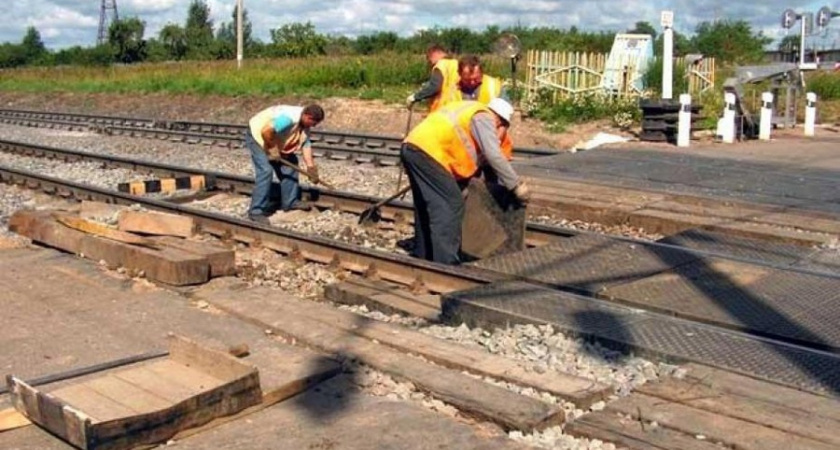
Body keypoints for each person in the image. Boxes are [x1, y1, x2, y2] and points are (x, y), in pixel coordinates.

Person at [399, 98, 530, 265]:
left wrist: (497, 192)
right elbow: (493, 155)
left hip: (412, 147)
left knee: (426, 204)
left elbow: (488, 166)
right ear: (500, 121)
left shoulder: (469, 112)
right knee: (451, 204)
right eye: (503, 127)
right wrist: (516, 186)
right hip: (429, 153)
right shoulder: (484, 117)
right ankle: (445, 263)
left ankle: (423, 255)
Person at [244, 103, 325, 224]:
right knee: (266, 171)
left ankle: (290, 202)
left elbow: (305, 144)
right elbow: (266, 132)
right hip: (258, 136)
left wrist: (311, 167)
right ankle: (255, 211)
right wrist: (272, 149)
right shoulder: (288, 118)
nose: (314, 126)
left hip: (274, 139)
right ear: (307, 116)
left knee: (291, 165)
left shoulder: (304, 124)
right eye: (313, 123)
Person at [406, 45, 459, 112]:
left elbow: (434, 87)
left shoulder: (440, 65)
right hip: (458, 108)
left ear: (434, 53)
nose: (429, 61)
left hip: (442, 110)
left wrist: (415, 97)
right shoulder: (457, 64)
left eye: (428, 57)